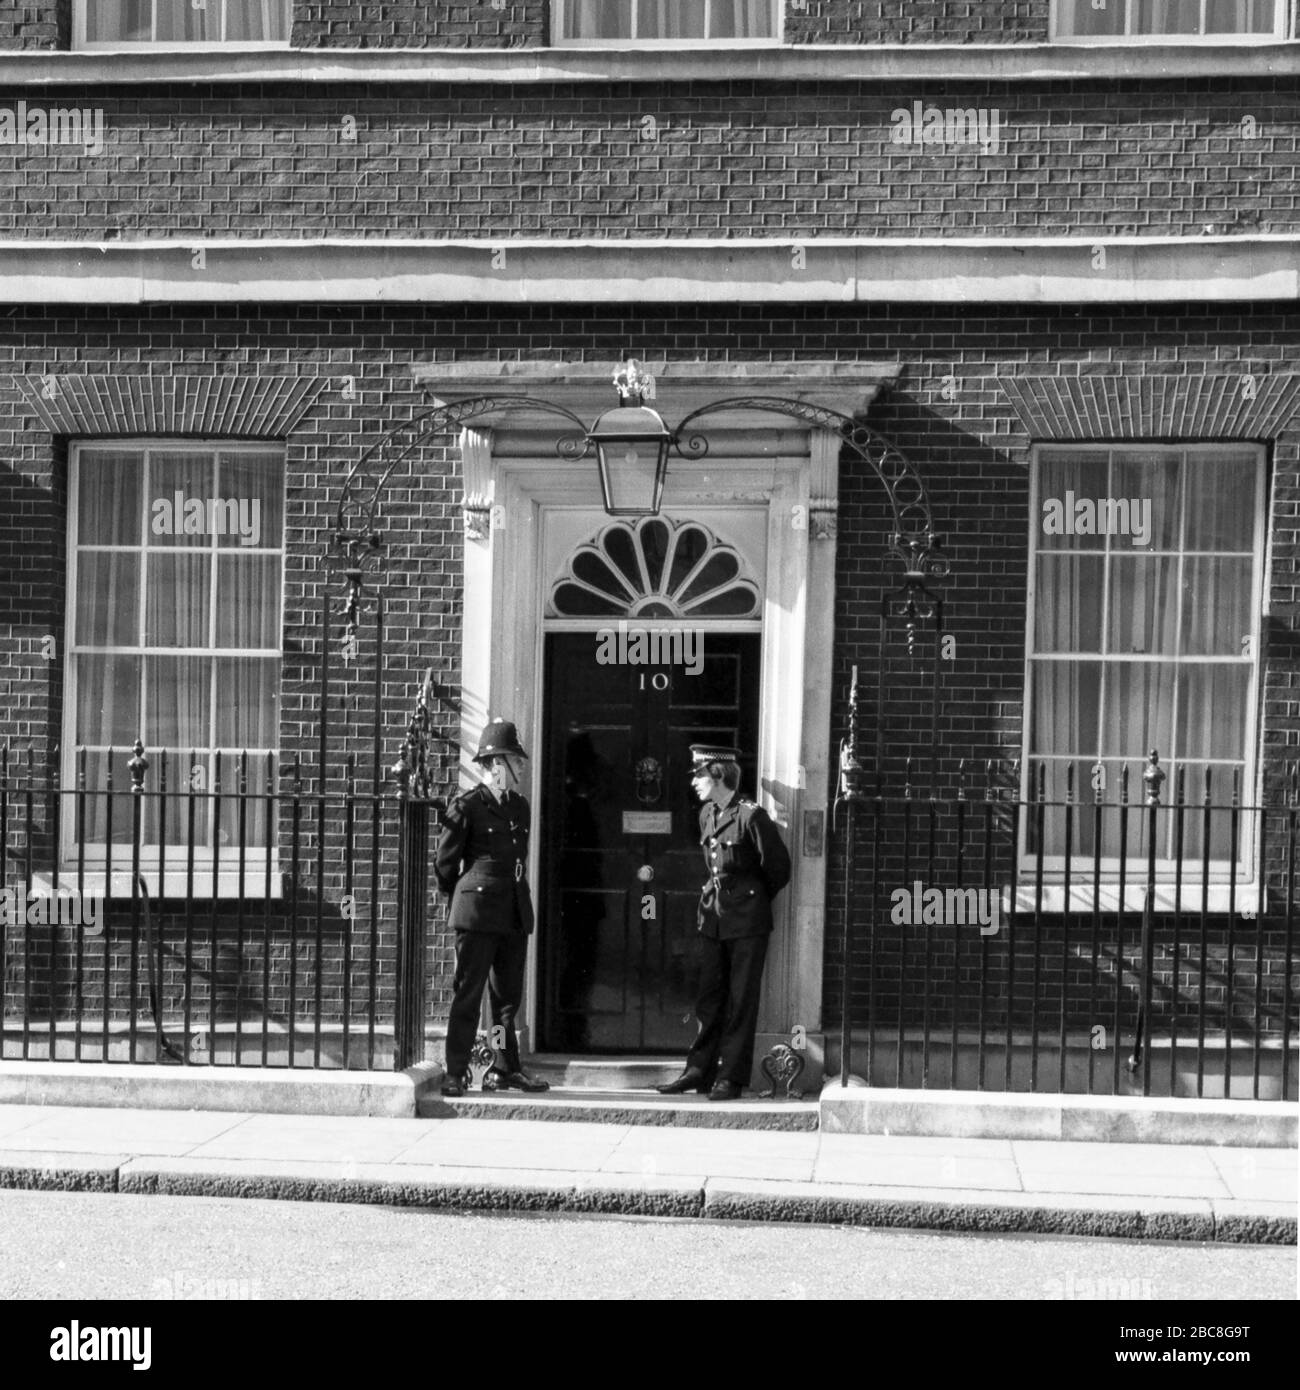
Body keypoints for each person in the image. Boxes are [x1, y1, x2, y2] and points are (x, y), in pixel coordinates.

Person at [656, 745, 792, 1101]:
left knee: (740, 1000)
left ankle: (730, 1077)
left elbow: (778, 870)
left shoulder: (751, 817)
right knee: (708, 998)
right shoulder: (707, 814)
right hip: (713, 918)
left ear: (718, 775)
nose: (695, 782)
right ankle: (698, 1071)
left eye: (699, 775)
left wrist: (750, 899)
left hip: (747, 921)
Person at [435, 717, 550, 1097]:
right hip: (478, 913)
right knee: (468, 995)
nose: (520, 768)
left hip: (513, 912)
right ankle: (456, 1070)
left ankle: (503, 1068)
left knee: (506, 1001)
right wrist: (464, 901)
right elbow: (445, 865)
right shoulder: (467, 806)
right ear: (496, 763)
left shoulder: (519, 806)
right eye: (515, 761)